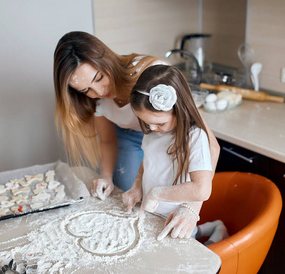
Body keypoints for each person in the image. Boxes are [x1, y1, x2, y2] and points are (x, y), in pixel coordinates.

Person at [53, 31, 220, 202]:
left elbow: (211, 147)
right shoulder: (95, 101)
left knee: (173, 192)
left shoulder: (153, 75)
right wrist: (106, 177)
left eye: (99, 78)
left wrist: (191, 209)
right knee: (128, 193)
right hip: (128, 135)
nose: (100, 92)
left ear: (106, 60)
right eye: (86, 90)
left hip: (169, 135)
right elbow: (108, 141)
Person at [122, 65, 228, 243]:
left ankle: (217, 233)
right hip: (154, 216)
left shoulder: (194, 137)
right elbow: (148, 161)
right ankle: (210, 228)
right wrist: (137, 186)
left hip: (177, 220)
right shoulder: (153, 131)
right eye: (145, 122)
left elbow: (202, 189)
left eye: (160, 123)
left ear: (179, 110)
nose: (151, 128)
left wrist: (156, 193)